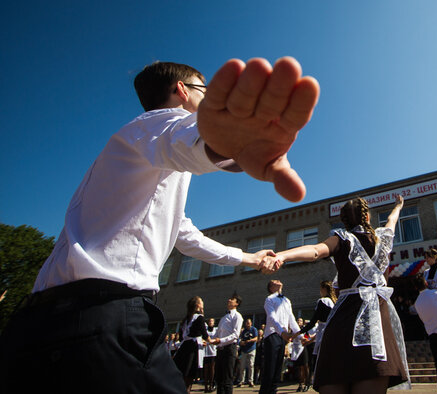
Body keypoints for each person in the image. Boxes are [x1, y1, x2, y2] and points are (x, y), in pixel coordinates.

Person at [0, 57, 320, 393]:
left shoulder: (133, 156)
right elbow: (185, 137)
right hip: (101, 317)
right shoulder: (158, 125)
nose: (210, 100)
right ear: (182, 90)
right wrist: (229, 144)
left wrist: (248, 258)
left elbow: (185, 236)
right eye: (206, 91)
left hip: (34, 326)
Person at [267, 195, 410, 393]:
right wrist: (398, 206)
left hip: (343, 321)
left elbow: (316, 251)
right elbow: (392, 220)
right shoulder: (383, 239)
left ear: (344, 221)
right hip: (376, 324)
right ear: (367, 217)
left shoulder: (342, 239)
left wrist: (282, 255)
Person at [261, 279, 300, 394]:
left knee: (278, 369)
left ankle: (273, 391)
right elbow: (272, 317)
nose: (278, 280)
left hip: (283, 337)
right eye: (274, 281)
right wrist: (282, 332)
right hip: (273, 334)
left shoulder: (287, 300)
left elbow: (291, 318)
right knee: (270, 368)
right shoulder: (269, 299)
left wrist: (300, 335)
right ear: (271, 287)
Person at [174, 296, 210, 393]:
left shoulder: (187, 318)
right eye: (201, 301)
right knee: (189, 375)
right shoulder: (199, 317)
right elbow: (205, 334)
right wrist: (211, 340)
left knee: (182, 374)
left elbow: (182, 336)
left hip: (184, 347)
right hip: (192, 349)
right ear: (198, 305)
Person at [209, 293, 243, 394]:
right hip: (220, 350)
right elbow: (217, 334)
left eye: (232, 299)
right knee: (219, 378)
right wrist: (210, 340)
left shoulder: (237, 316)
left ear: (236, 303)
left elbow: (236, 334)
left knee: (227, 379)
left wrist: (221, 340)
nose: (229, 300)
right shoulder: (223, 318)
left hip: (229, 349)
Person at [294, 280, 336, 359]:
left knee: (318, 359)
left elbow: (313, 322)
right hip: (331, 334)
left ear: (324, 289)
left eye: (320, 289)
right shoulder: (334, 302)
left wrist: (298, 332)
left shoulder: (323, 301)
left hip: (322, 335)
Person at [291, 317, 311, 392]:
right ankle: (300, 385)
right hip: (296, 349)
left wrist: (306, 340)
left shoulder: (304, 329)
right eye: (298, 320)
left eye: (300, 321)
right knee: (299, 368)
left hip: (303, 348)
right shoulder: (293, 330)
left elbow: (308, 338)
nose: (299, 322)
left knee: (305, 366)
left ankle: (307, 383)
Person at [236, 318, 258, 388]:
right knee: (242, 366)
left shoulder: (254, 329)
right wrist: (242, 343)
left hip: (251, 349)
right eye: (247, 323)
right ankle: (241, 381)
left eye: (249, 323)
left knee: (251, 365)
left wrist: (250, 340)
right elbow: (241, 339)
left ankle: (250, 381)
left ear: (251, 323)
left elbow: (256, 338)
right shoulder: (244, 331)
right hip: (244, 350)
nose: (248, 324)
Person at [204, 318, 219, 393]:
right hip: (205, 351)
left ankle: (211, 384)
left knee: (212, 368)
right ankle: (206, 385)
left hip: (213, 351)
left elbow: (217, 339)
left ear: (214, 323)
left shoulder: (216, 330)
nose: (210, 322)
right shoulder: (205, 329)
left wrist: (212, 341)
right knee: (206, 369)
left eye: (212, 321)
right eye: (209, 321)